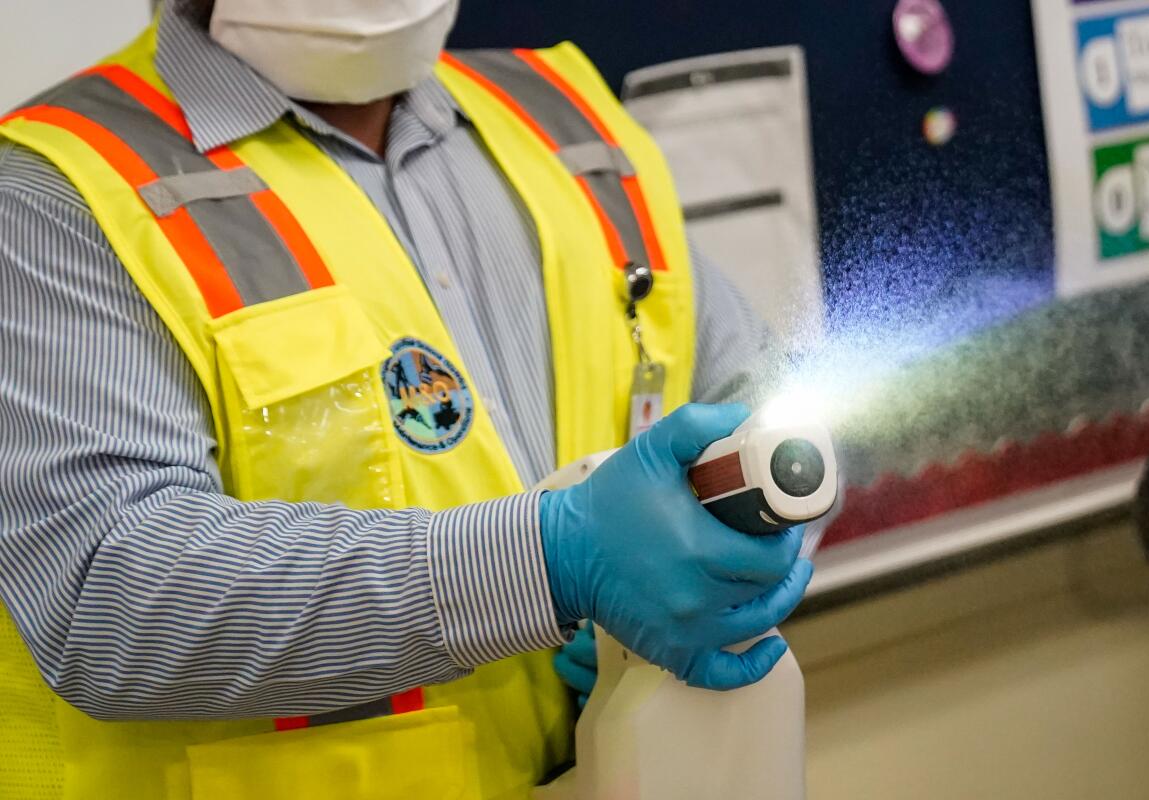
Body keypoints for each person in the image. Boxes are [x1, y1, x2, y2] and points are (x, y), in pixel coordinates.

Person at [0, 1, 813, 797]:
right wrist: (550, 562)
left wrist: (729, 563)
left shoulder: (561, 118)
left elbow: (756, 404)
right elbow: (112, 599)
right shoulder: (51, 192)